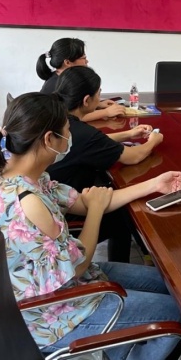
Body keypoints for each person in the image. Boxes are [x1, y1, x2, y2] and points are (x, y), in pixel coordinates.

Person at [0, 92, 181, 360]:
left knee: (173, 284)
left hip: (58, 285)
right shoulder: (29, 203)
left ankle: (123, 346)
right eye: (67, 131)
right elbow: (79, 264)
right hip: (49, 314)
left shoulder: (20, 177)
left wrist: (154, 184)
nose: (70, 137)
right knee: (177, 309)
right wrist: (95, 211)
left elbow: (87, 201)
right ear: (49, 139)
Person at [48, 66, 163, 262]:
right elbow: (133, 156)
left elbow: (91, 141)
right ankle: (126, 263)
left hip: (59, 198)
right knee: (122, 216)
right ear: (86, 100)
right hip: (66, 214)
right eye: (98, 93)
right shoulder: (77, 131)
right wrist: (153, 141)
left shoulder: (59, 119)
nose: (100, 98)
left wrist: (128, 134)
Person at [37, 38, 125, 122]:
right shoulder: (59, 83)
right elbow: (73, 116)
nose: (87, 61)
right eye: (84, 58)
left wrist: (98, 104)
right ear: (67, 62)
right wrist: (106, 112)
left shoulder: (66, 78)